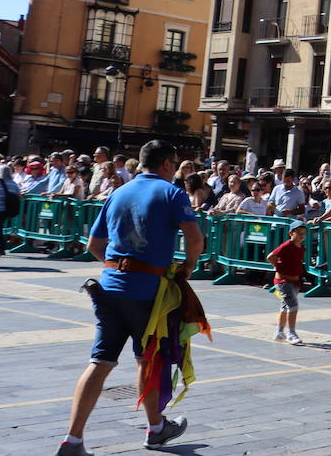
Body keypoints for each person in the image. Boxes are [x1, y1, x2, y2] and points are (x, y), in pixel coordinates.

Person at [58, 140, 202, 456]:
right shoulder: (171, 193)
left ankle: (73, 439)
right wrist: (187, 268)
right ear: (166, 164)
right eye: (174, 166)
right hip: (147, 291)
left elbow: (94, 244)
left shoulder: (118, 192)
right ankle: (154, 429)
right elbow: (194, 237)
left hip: (108, 288)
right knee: (147, 358)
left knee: (100, 361)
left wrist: (119, 267)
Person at [266, 222, 307, 345]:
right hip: (283, 281)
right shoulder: (286, 245)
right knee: (293, 306)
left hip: (294, 280)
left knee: (285, 307)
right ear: (291, 233)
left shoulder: (301, 247)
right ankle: (291, 333)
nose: (301, 236)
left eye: (303, 233)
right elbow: (271, 257)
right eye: (298, 233)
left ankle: (279, 332)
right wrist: (279, 267)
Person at [0, 163, 19, 257]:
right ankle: (1, 249)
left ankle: (0, 248)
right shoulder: (13, 183)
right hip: (4, 210)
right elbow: (19, 196)